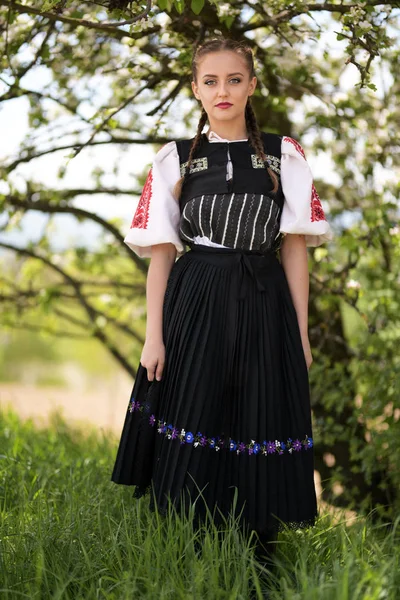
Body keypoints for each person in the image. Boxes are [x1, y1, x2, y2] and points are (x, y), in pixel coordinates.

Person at [110, 38, 333, 564]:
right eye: (210, 81)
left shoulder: (284, 154)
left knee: (260, 410)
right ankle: (190, 545)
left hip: (263, 296)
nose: (223, 90)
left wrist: (298, 334)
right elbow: (162, 254)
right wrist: (153, 335)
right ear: (195, 89)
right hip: (196, 297)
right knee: (196, 405)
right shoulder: (175, 159)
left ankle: (261, 552)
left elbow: (296, 248)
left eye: (234, 79)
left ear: (252, 86)